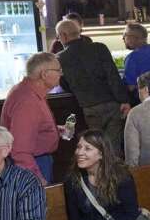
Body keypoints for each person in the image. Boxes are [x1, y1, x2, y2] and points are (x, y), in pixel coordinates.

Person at [65, 130, 141, 220]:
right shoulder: (72, 181)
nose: (80, 152)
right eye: (79, 147)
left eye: (87, 148)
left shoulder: (121, 177)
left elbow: (131, 214)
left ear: (101, 154)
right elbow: (75, 219)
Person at [56, 18, 131, 154]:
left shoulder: (60, 58)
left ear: (63, 36)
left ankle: (100, 174)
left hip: (89, 107)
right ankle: (115, 173)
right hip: (112, 104)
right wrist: (124, 100)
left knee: (96, 147)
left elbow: (64, 84)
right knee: (113, 146)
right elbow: (113, 75)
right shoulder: (99, 48)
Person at [0, 52, 63, 183]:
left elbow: (27, 128)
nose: (61, 74)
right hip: (35, 163)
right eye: (58, 70)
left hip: (37, 160)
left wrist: (53, 130)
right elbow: (20, 150)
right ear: (44, 74)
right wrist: (37, 178)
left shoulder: (29, 91)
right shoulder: (27, 100)